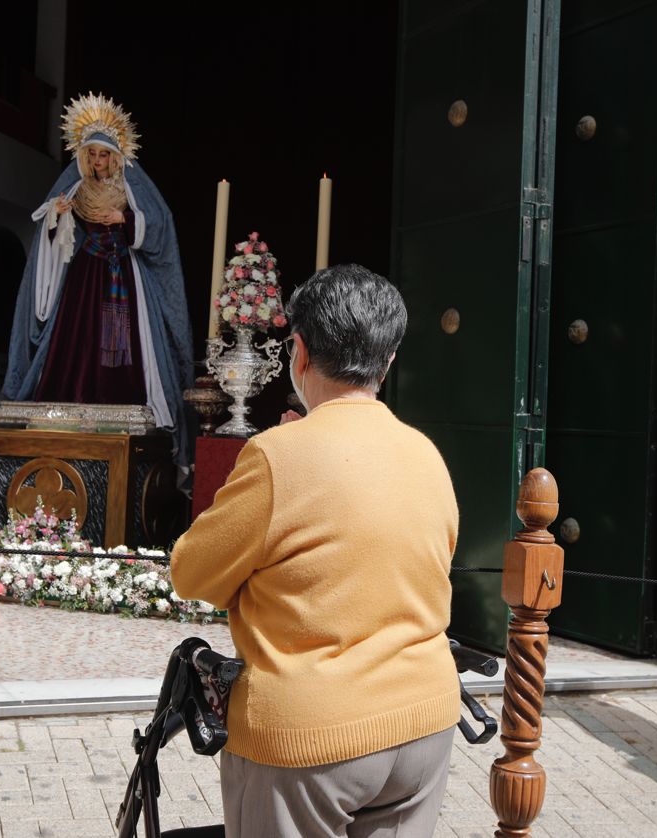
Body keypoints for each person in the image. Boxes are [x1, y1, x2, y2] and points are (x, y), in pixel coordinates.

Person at [171, 264, 460, 837]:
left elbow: (192, 574)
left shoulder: (279, 454)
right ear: (389, 360)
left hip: (310, 736)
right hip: (423, 723)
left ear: (298, 352)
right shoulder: (426, 453)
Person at [3, 93, 194, 477]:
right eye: (90, 155)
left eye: (103, 155)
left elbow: (159, 224)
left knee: (123, 340)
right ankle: (71, 401)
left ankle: (123, 400)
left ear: (117, 156)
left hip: (120, 274)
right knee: (75, 339)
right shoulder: (74, 191)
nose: (96, 162)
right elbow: (53, 237)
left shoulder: (131, 189)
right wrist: (55, 220)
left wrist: (125, 220)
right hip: (83, 275)